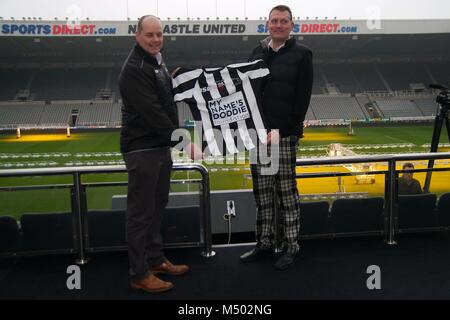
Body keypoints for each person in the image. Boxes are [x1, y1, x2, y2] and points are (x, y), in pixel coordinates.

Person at [119, 15, 195, 293]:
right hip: (143, 148)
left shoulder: (156, 62)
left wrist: (171, 81)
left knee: (157, 205)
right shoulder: (135, 68)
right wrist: (184, 142)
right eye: (149, 35)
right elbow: (153, 113)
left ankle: (154, 259)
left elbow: (162, 97)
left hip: (158, 147)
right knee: (140, 213)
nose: (155, 40)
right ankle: (139, 273)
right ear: (137, 35)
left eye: (159, 34)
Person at [240, 5, 313, 270]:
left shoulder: (303, 54)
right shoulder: (257, 52)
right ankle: (264, 243)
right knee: (262, 194)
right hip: (259, 136)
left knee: (285, 193)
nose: (279, 25)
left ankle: (291, 246)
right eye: (274, 20)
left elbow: (302, 100)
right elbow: (248, 92)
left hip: (283, 136)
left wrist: (280, 131)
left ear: (292, 24)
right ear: (267, 24)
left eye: (284, 21)